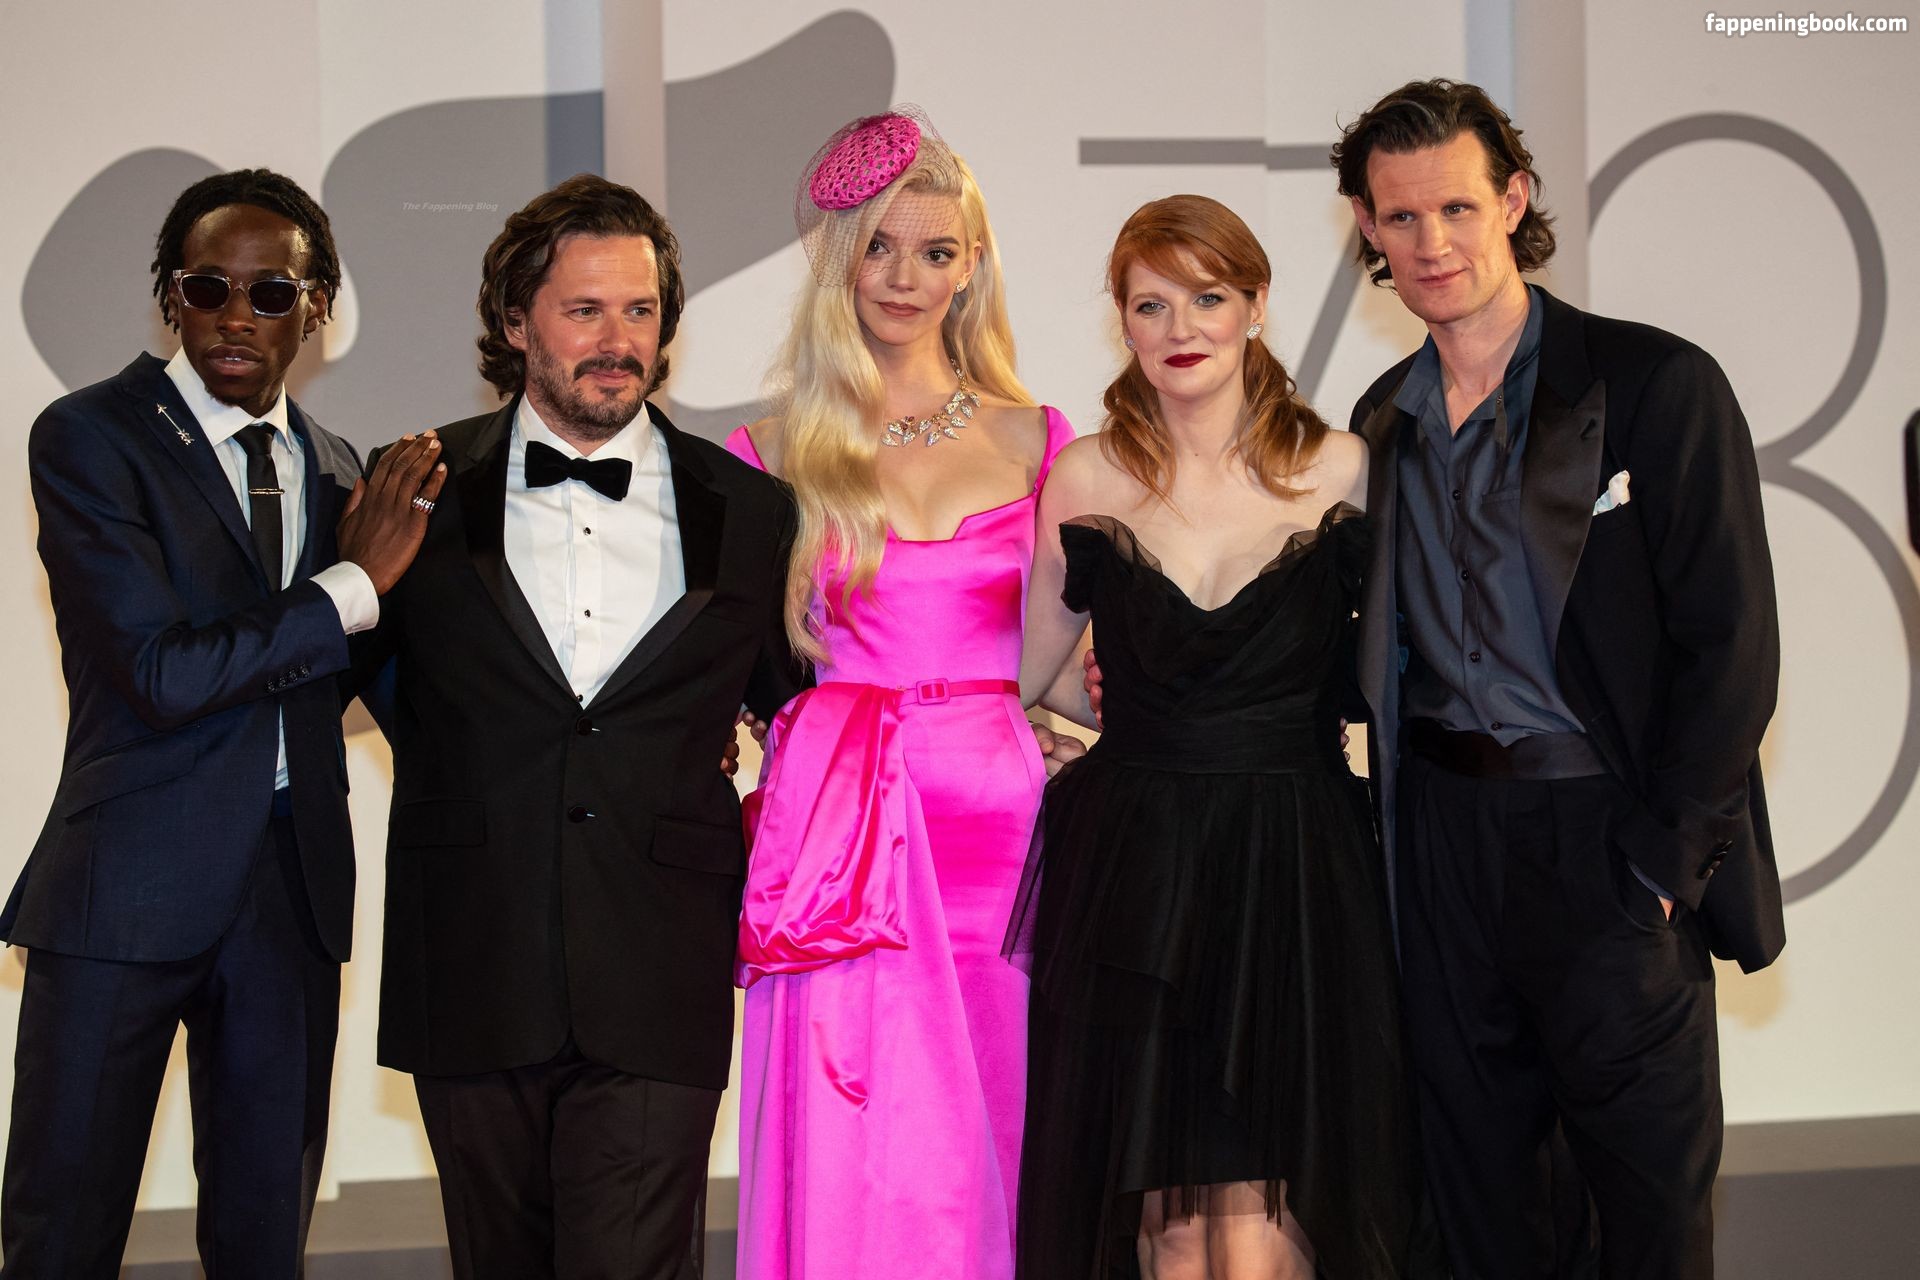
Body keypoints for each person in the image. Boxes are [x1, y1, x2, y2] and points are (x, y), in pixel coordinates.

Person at [1332, 78, 1783, 1277]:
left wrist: (1664, 866)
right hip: (1444, 845)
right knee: (1480, 1213)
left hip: (1606, 841)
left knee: (1646, 1216)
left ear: (1514, 198)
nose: (1432, 242)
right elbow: (1359, 650)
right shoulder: (1378, 422)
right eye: (1401, 216)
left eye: (1456, 207)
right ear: (1369, 228)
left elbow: (1733, 643)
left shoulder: (1655, 383)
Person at [350, 174, 802, 1280]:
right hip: (472, 953)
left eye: (640, 310)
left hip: (660, 959)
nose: (618, 340)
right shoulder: (414, 484)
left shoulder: (752, 507)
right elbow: (348, 680)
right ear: (516, 323)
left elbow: (796, 698)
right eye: (584, 310)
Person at [0, 168, 442, 1278]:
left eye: (271, 293)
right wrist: (351, 585)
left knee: (264, 1244)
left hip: (291, 895)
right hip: (122, 888)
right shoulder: (90, 437)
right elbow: (157, 671)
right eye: (208, 287)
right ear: (170, 297)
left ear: (317, 308)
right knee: (62, 1236)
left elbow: (367, 684)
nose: (236, 315)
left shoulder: (340, 471)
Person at [1015, 194, 1425, 1279]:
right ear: (1122, 320)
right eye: (1150, 304)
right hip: (1138, 869)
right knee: (1168, 1222)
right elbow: (1030, 668)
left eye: (1206, 297)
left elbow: (1394, 671)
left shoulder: (1344, 467)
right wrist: (1125, 719)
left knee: (1269, 1217)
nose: (1180, 326)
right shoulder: (1086, 474)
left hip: (1295, 870)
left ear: (1255, 305)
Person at [724, 109, 1075, 1280]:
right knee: (860, 1129)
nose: (904, 277)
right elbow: (736, 671)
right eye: (879, 246)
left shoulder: (1043, 441)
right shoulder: (769, 453)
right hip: (846, 838)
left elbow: (1082, 659)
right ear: (839, 255)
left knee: (1011, 1107)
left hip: (1006, 832)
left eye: (935, 251)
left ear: (971, 265)